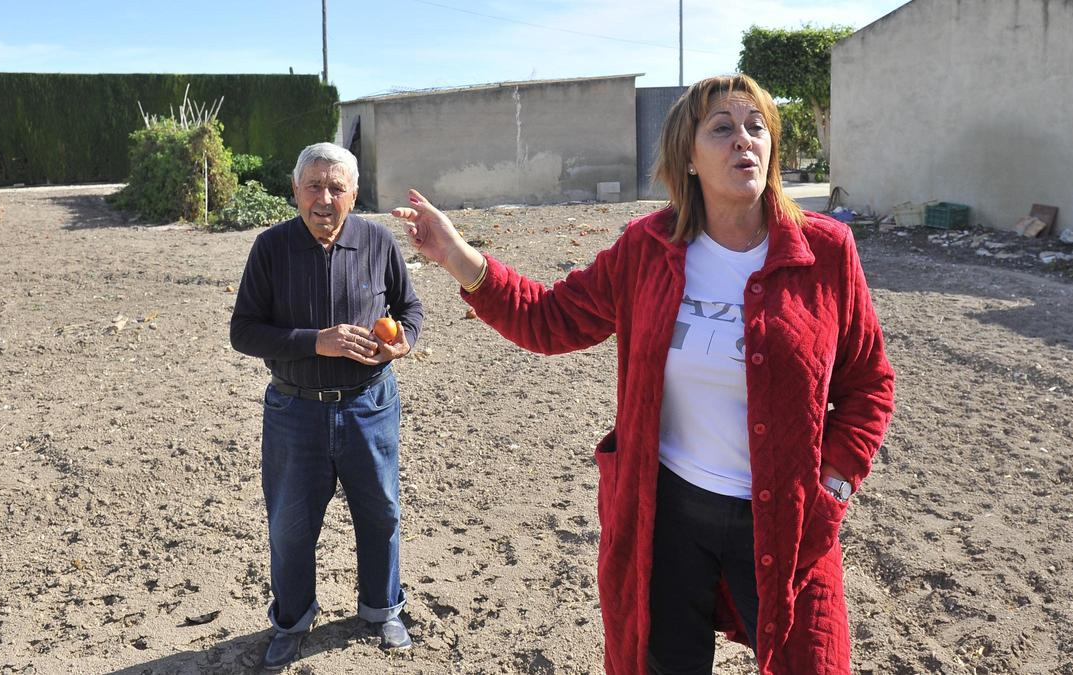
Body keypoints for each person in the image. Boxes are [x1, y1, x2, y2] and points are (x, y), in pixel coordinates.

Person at [391, 74, 894, 674]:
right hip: (666, 517)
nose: (745, 141)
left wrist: (831, 491)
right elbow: (548, 320)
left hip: (787, 520)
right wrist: (455, 255)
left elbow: (869, 385)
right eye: (723, 129)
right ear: (688, 157)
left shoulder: (826, 252)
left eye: (757, 127)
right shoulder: (648, 248)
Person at [230, 142, 424, 670]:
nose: (324, 198)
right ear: (295, 190)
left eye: (336, 187)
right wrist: (317, 342)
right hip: (295, 411)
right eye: (314, 186)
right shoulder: (271, 248)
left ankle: (382, 609)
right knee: (290, 524)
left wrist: (401, 340)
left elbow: (409, 309)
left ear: (354, 194)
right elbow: (243, 332)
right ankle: (291, 622)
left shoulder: (377, 241)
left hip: (370, 405)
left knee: (381, 511)